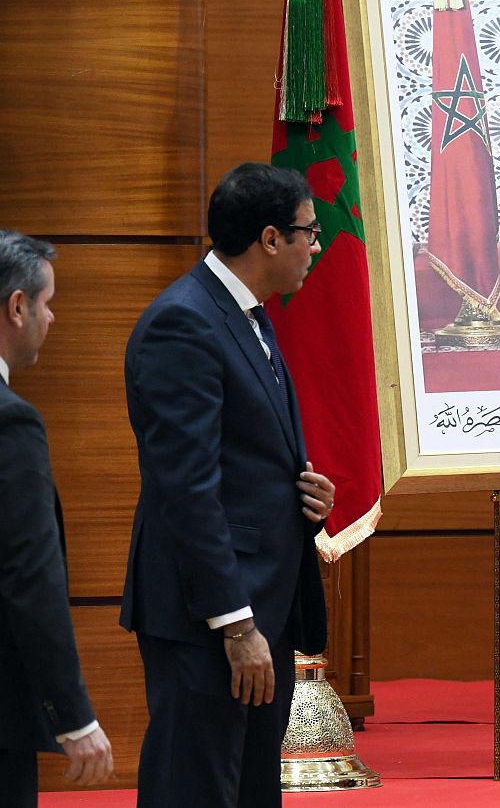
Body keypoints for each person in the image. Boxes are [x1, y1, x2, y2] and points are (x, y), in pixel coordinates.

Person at [121, 163, 336, 807]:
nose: (316, 246)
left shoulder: (248, 315)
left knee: (245, 790)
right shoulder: (182, 323)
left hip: (259, 604)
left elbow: (243, 456)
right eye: (309, 232)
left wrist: (302, 494)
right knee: (195, 787)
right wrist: (236, 625)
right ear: (269, 239)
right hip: (210, 616)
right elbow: (186, 488)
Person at [0, 231, 114, 804]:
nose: (53, 317)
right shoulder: (11, 422)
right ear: (16, 307)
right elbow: (29, 578)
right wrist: (72, 716)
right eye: (46, 303)